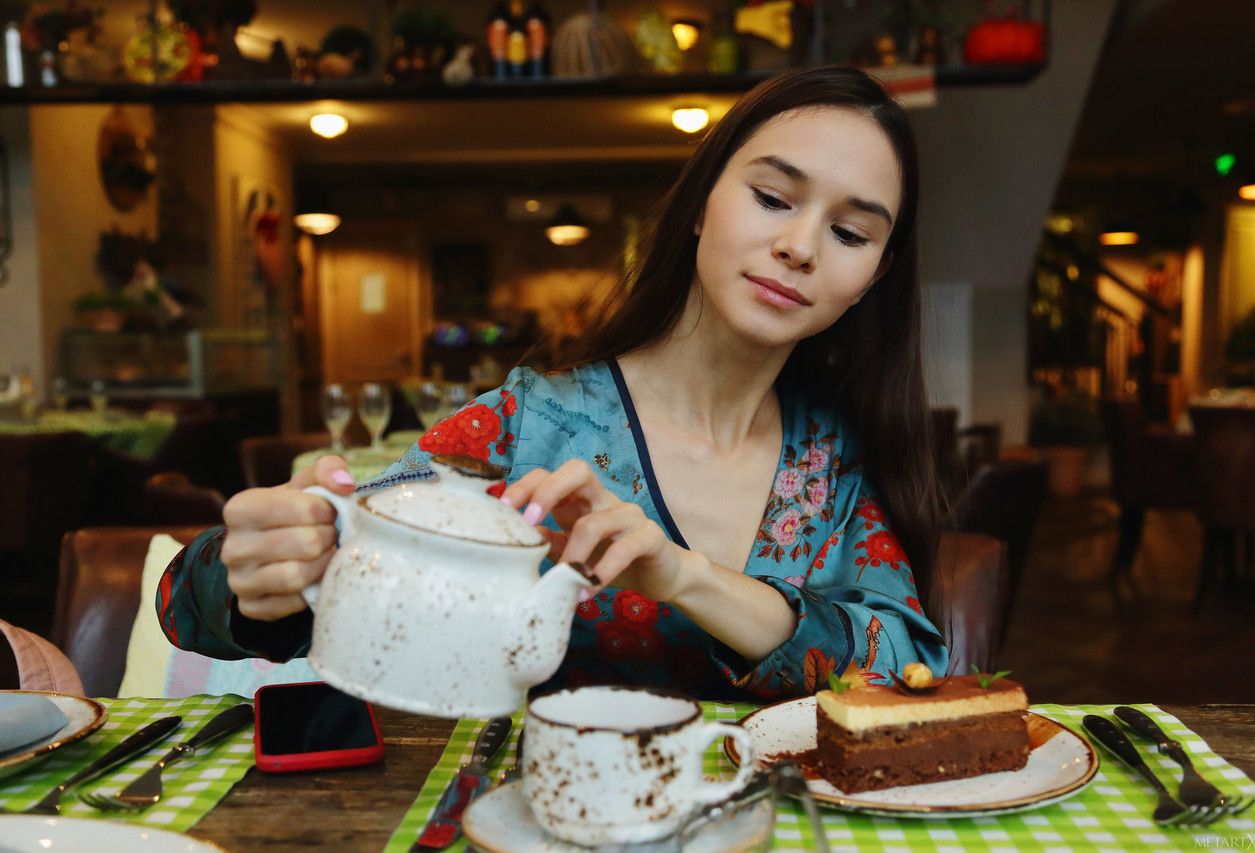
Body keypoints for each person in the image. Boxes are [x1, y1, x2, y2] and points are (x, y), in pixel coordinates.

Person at [158, 65, 948, 700]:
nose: (801, 246)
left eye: (850, 232)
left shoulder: (831, 457)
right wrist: (261, 569)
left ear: (873, 275)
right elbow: (211, 598)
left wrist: (687, 577)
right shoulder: (531, 421)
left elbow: (910, 667)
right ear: (701, 206)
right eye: (773, 198)